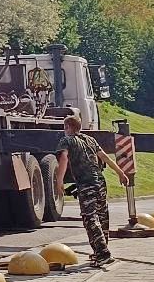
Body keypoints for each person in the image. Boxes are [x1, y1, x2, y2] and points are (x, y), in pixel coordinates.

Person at [55, 110, 129, 268]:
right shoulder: (90, 140)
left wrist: (59, 180)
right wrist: (120, 173)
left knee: (90, 218)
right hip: (100, 182)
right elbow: (105, 157)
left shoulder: (67, 140)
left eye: (65, 127)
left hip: (86, 183)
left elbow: (64, 158)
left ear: (68, 127)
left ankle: (103, 254)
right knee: (102, 216)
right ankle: (101, 251)